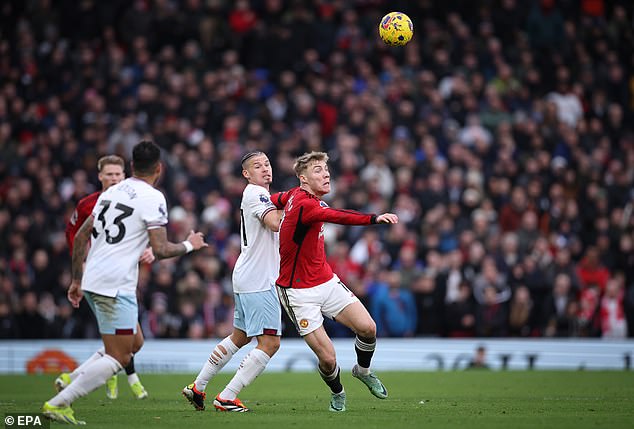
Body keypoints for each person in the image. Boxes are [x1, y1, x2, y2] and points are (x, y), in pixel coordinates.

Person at [42, 141, 208, 424]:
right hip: (115, 285)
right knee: (119, 357)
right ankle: (60, 402)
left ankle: (69, 379)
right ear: (159, 169)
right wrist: (190, 245)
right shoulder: (153, 197)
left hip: (94, 279)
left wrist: (76, 279)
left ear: (131, 167)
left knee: (134, 342)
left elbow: (82, 236)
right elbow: (161, 250)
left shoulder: (113, 191)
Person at [270, 151, 399, 412]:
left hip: (326, 282)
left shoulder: (293, 196)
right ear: (303, 179)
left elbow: (274, 198)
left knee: (368, 328)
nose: (326, 173)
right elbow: (340, 216)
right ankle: (337, 391)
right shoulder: (307, 205)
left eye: (326, 168)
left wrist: (265, 205)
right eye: (318, 170)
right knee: (328, 359)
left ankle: (362, 371)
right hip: (297, 292)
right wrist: (374, 218)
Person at [182, 151, 282, 412]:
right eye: (257, 166)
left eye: (267, 164)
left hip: (247, 274)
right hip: (259, 279)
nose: (265, 169)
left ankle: (198, 386)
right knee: (270, 342)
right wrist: (299, 207)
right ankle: (227, 396)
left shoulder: (262, 196)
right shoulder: (256, 193)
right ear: (246, 174)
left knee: (240, 336)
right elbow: (274, 222)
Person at [57, 154, 154, 401]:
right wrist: (81, 268)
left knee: (132, 341)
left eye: (117, 174)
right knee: (128, 343)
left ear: (125, 176)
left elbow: (145, 232)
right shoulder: (88, 204)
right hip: (102, 279)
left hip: (123, 276)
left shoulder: (132, 201)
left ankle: (79, 377)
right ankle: (77, 385)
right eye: (109, 174)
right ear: (100, 176)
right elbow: (75, 235)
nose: (113, 178)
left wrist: (149, 248)